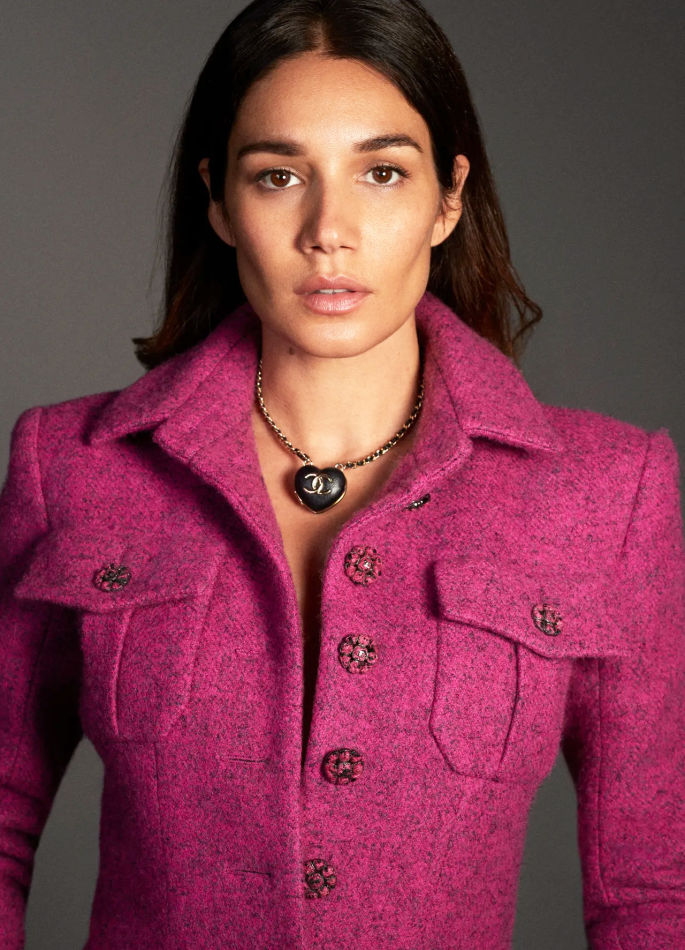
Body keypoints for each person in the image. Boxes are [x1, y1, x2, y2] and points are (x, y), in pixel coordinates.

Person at [1, 0, 683, 946]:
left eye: (381, 172)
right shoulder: (73, 468)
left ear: (447, 198)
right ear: (219, 200)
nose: (330, 229)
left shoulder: (607, 492)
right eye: (278, 176)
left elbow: (654, 889)